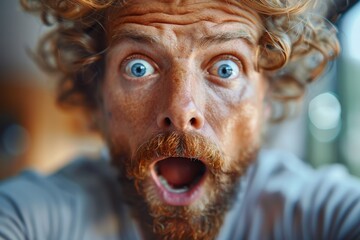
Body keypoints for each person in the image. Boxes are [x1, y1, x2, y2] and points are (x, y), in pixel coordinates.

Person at [0, 0, 359, 239]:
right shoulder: (40, 214)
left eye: (225, 67)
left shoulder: (318, 212)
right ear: (98, 98)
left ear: (267, 98)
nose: (182, 109)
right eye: (138, 67)